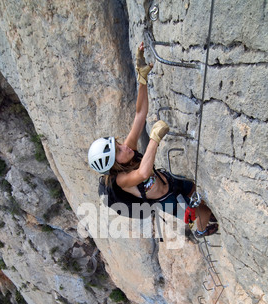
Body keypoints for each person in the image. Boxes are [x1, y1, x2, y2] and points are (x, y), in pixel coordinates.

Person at [88, 42, 218, 238]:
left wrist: (142, 79)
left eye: (119, 144)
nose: (125, 146)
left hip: (169, 181)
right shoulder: (121, 180)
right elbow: (143, 173)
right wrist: (155, 138)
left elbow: (140, 115)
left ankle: (198, 221)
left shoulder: (128, 151)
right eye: (119, 151)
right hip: (167, 199)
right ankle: (200, 230)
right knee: (205, 213)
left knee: (194, 191)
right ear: (115, 165)